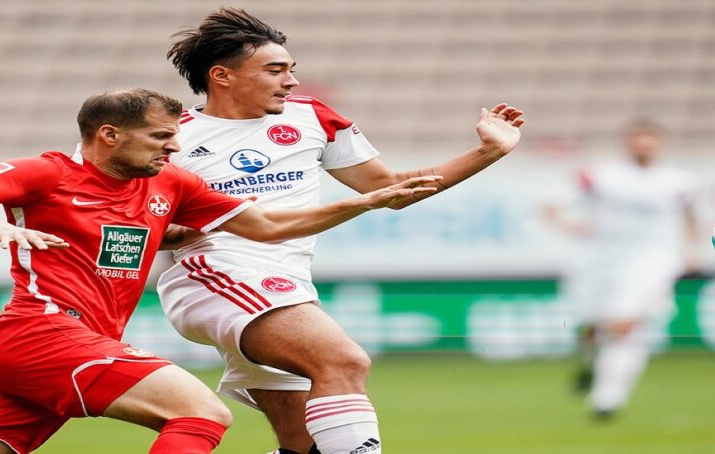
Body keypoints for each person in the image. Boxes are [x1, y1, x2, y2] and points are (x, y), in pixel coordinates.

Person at [0, 88, 440, 454]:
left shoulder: (170, 184)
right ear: (110, 135)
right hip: (44, 331)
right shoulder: (47, 173)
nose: (176, 146)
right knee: (201, 413)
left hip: (43, 351)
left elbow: (266, 225)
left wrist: (363, 202)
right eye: (161, 136)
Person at [158, 8, 524, 454]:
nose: (291, 81)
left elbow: (391, 188)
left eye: (291, 69)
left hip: (287, 282)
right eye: (275, 70)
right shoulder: (172, 137)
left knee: (303, 445)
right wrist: (174, 230)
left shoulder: (312, 118)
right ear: (222, 76)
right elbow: (129, 219)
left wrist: (488, 152)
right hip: (214, 275)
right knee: (343, 360)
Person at [541, 119, 699, 420]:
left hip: (649, 259)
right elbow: (549, 204)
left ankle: (608, 397)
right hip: (597, 260)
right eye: (638, 139)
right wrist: (570, 225)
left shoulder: (680, 182)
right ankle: (590, 363)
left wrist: (692, 252)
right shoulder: (599, 175)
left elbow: (690, 216)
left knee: (625, 323)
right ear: (627, 143)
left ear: (660, 144)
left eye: (650, 140)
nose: (644, 146)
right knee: (592, 328)